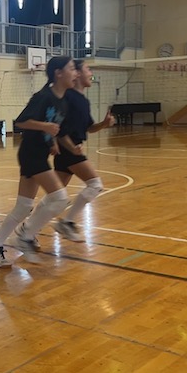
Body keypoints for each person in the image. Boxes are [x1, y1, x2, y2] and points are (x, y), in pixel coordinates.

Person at [0, 56, 77, 268]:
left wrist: (51, 141)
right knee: (60, 198)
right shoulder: (43, 96)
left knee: (23, 206)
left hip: (40, 152)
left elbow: (51, 125)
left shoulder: (62, 100)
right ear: (58, 73)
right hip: (31, 154)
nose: (76, 73)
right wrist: (45, 127)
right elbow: (21, 122)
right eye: (71, 69)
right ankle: (26, 234)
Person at [53, 59, 115, 242]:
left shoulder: (83, 101)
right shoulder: (69, 97)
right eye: (88, 69)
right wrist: (65, 145)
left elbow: (89, 127)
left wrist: (103, 124)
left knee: (54, 198)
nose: (91, 73)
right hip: (69, 149)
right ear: (77, 74)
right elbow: (58, 124)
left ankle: (27, 231)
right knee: (95, 184)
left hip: (72, 149)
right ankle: (67, 222)